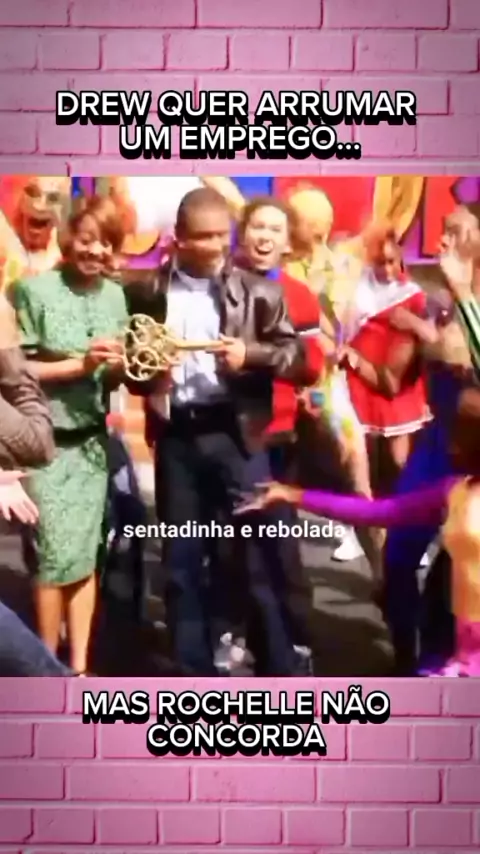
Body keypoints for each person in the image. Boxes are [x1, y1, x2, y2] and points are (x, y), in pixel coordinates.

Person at [124, 186, 313, 677]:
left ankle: (282, 669)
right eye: (203, 237)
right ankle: (194, 674)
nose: (215, 247)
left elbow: (299, 359)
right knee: (182, 561)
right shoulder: (147, 292)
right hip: (178, 438)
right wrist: (150, 376)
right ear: (179, 237)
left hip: (238, 435)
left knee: (259, 555)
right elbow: (131, 368)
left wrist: (251, 355)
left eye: (221, 236)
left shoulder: (259, 292)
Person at [235, 383, 480, 677]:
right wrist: (292, 495)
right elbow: (380, 512)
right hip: (461, 659)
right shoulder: (455, 492)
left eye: (460, 434)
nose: (450, 444)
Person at [11, 195, 128, 675]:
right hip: (45, 446)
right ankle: (45, 667)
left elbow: (113, 378)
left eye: (106, 243)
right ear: (68, 239)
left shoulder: (115, 296)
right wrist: (80, 364)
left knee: (85, 557)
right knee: (53, 558)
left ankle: (79, 668)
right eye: (87, 240)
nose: (96, 251)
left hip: (92, 447)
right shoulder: (32, 291)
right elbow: (15, 372)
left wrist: (129, 367)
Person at [383, 208, 480, 672]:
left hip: (475, 459)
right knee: (398, 556)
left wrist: (458, 300)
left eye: (457, 232)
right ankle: (405, 655)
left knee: (458, 570)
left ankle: (444, 662)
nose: (443, 241)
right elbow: (392, 378)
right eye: (443, 231)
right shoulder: (433, 303)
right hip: (436, 447)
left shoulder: (457, 301)